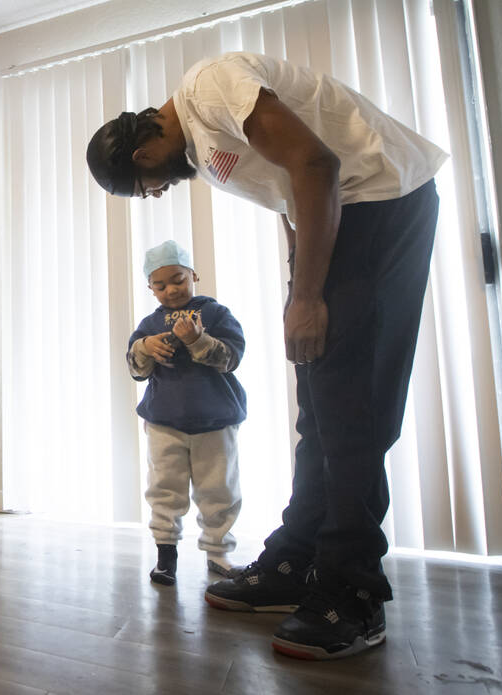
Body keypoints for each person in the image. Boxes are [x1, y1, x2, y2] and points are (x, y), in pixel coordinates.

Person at [87, 51, 444, 661]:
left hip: (380, 204)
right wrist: (297, 283)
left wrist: (308, 296)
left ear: (141, 154)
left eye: (150, 186)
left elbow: (315, 163)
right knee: (320, 408)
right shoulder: (203, 143)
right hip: (340, 220)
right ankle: (299, 557)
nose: (160, 190)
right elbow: (290, 195)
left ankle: (352, 595)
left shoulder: (208, 84)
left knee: (352, 411)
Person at [129, 240, 246, 587]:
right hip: (165, 421)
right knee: (164, 488)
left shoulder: (215, 314)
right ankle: (166, 555)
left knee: (219, 489)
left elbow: (232, 357)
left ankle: (218, 552)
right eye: (160, 285)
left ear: (193, 274)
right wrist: (145, 347)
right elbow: (135, 368)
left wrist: (198, 340)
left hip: (215, 420)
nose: (171, 290)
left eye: (178, 279)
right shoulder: (150, 323)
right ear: (150, 288)